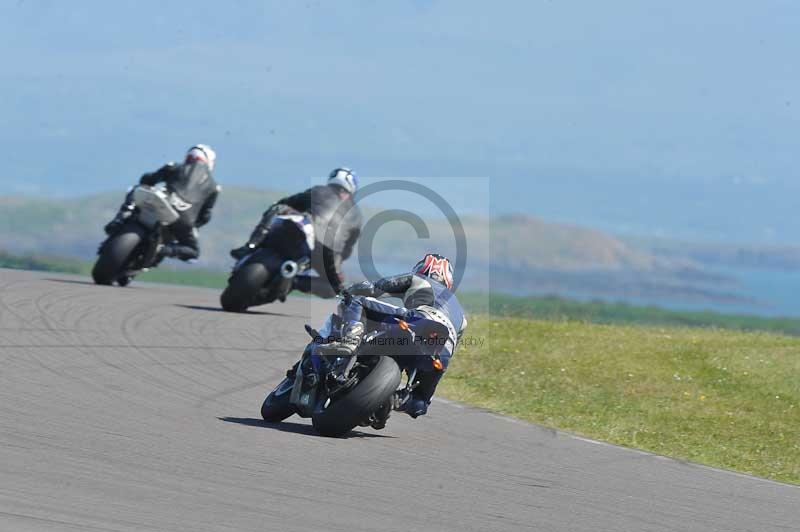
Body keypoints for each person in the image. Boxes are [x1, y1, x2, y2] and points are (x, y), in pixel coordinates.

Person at [319, 253, 467, 428]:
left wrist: (351, 291)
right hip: (441, 350)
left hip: (418, 321)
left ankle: (350, 340)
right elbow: (454, 344)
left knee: (359, 302)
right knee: (420, 403)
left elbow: (375, 287)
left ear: (422, 268)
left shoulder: (416, 278)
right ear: (448, 281)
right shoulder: (462, 317)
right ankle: (393, 400)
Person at [230, 168, 362, 298]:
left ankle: (251, 246)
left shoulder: (318, 190)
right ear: (352, 189)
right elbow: (347, 248)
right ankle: (294, 281)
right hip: (325, 253)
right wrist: (336, 264)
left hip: (304, 234)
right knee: (336, 288)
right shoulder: (356, 215)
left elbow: (286, 202)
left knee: (278, 208)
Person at [104, 144, 221, 261]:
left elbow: (148, 179)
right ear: (210, 162)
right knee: (193, 251)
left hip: (162, 203)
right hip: (183, 220)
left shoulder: (174, 167)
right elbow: (205, 216)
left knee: (135, 189)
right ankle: (163, 250)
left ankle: (121, 218)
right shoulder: (214, 187)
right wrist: (193, 226)